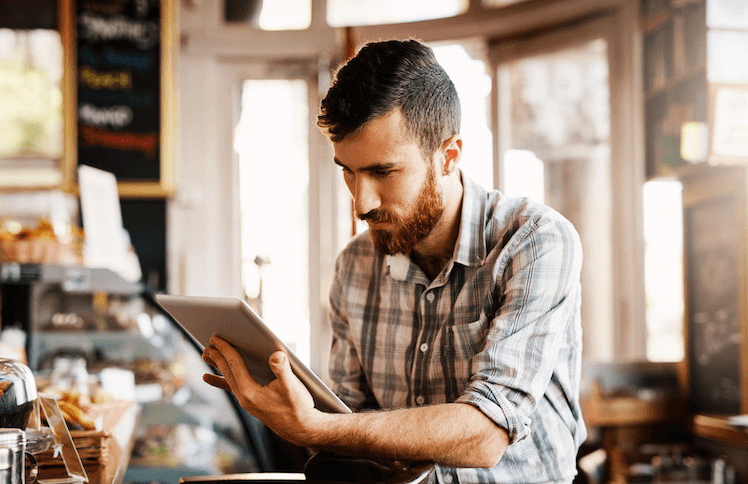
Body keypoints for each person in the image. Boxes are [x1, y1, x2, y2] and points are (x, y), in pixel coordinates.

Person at [203, 38, 586, 484]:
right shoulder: (354, 266)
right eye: (348, 170)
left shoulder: (534, 241)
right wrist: (282, 409)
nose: (360, 203)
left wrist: (317, 425)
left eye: (382, 172)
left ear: (448, 157)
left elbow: (486, 435)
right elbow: (344, 425)